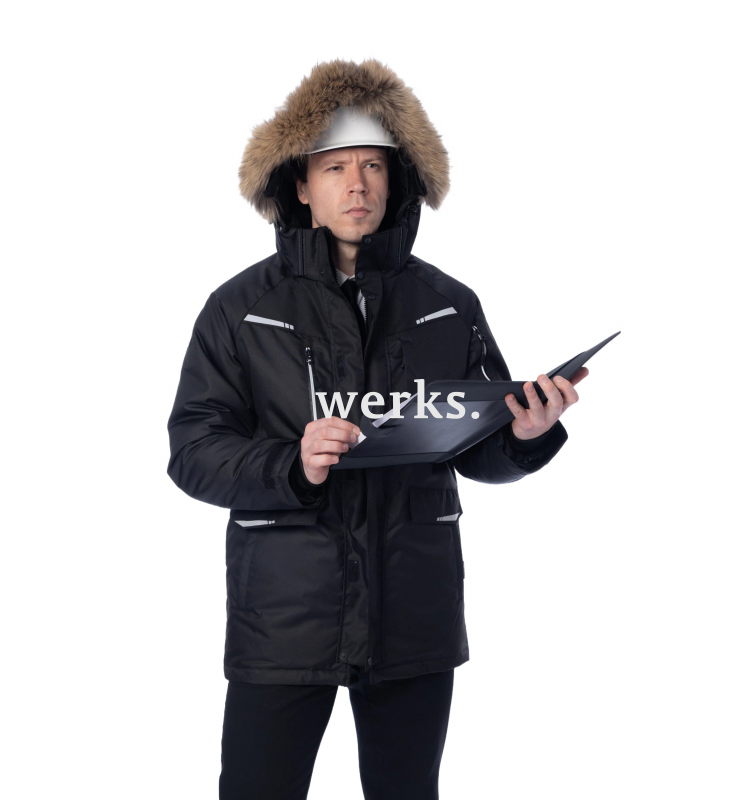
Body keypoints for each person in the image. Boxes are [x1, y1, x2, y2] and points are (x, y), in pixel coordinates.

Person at [167, 58, 588, 800]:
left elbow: (476, 448)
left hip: (412, 612)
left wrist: (525, 436)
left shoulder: (448, 304)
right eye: (335, 168)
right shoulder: (240, 309)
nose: (356, 185)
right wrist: (292, 464)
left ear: (396, 180)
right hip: (285, 614)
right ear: (301, 185)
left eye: (372, 166)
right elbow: (194, 450)